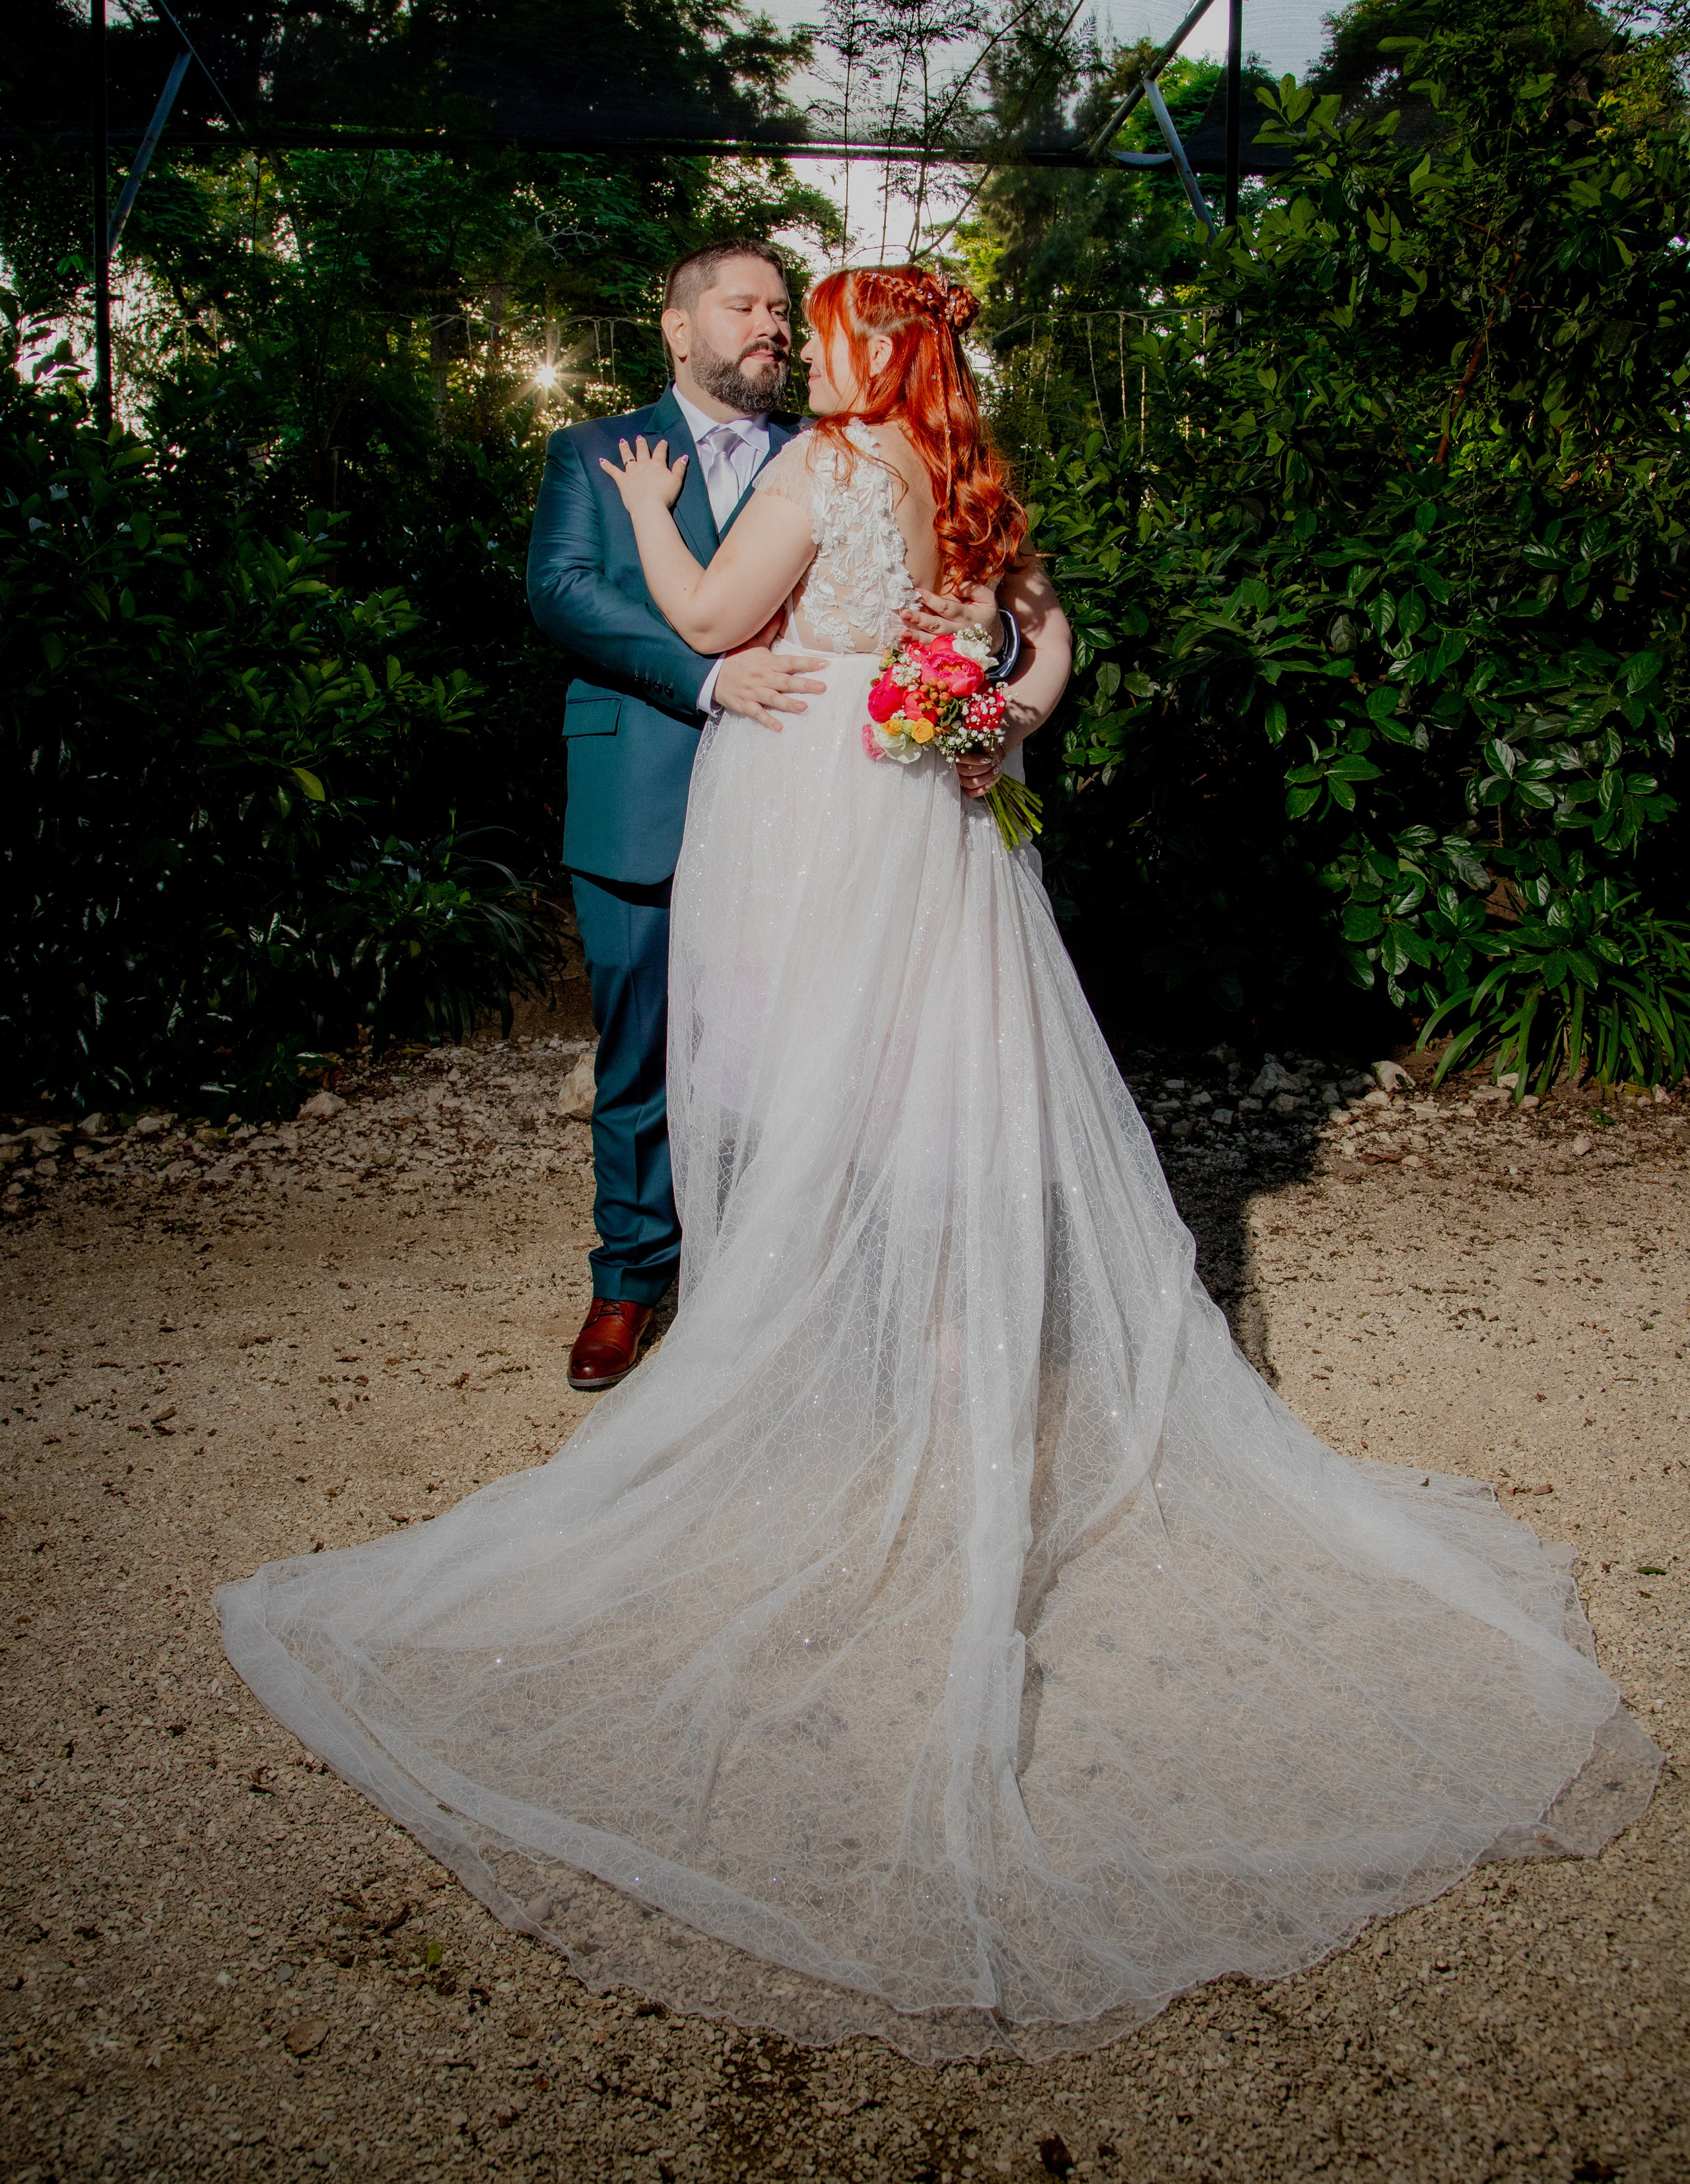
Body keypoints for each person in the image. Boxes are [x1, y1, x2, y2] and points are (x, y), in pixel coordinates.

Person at [219, 266, 1657, 2064]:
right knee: (943, 1101)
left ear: (866, 349)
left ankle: (834, 1405)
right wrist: (995, 717)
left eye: (820, 319)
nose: (800, 338)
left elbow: (707, 610)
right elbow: (1048, 642)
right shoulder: (966, 473)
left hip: (821, 813)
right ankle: (960, 1405)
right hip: (941, 819)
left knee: (806, 1096)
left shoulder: (826, 466)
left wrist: (662, 523)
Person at [526, 238, 1025, 1393]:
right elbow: (563, 592)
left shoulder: (832, 449)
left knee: (814, 1053)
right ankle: (630, 1280)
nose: (775, 329)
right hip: (658, 789)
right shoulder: (595, 453)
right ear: (678, 325)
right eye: (746, 307)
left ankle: (778, 1285)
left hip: (811, 804)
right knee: (643, 1050)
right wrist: (709, 680)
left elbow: (995, 602)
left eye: (787, 313)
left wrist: (985, 644)